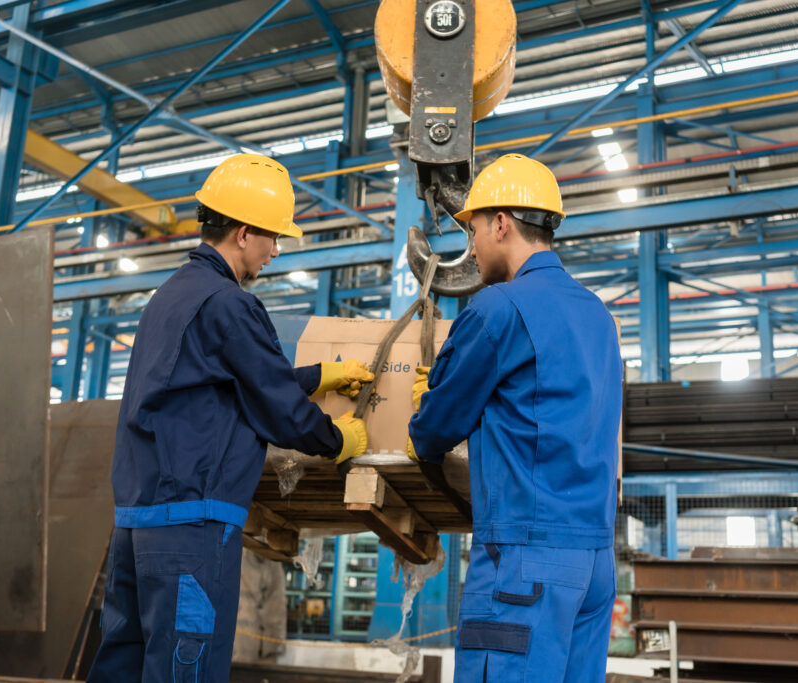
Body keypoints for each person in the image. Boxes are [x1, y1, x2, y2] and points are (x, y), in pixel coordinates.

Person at [87, 153, 372, 682]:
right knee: (184, 670)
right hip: (191, 528)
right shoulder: (230, 303)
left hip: (135, 524)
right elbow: (279, 412)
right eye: (272, 238)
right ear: (243, 233)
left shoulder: (170, 297)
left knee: (122, 665)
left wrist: (318, 376)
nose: (275, 251)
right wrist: (338, 441)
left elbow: (220, 379)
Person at [407, 154, 622, 682]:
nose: (472, 248)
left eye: (474, 230)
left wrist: (425, 399)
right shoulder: (599, 315)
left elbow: (433, 433)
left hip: (525, 566)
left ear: (501, 223)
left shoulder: (496, 309)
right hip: (595, 562)